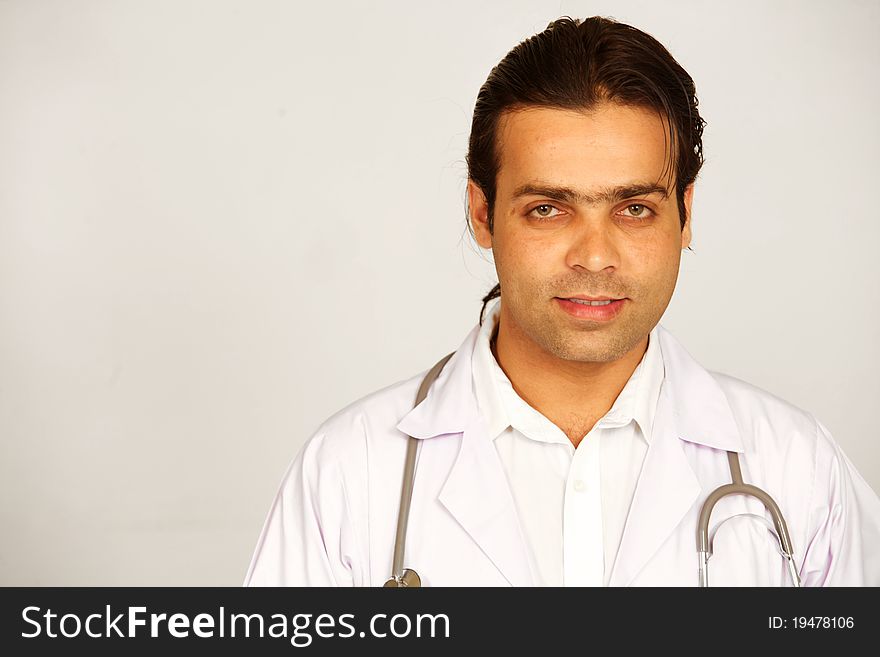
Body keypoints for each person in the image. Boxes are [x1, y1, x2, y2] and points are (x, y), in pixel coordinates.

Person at [243, 16, 880, 586]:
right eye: (549, 209)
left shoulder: (798, 470)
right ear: (482, 214)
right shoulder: (349, 475)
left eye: (634, 208)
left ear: (685, 215)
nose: (594, 255)